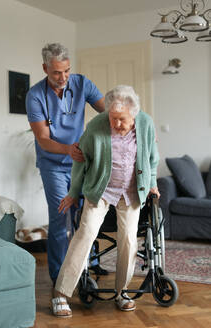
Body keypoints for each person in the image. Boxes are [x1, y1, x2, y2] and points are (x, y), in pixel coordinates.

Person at [51, 85, 160, 317]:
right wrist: (73, 192)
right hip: (100, 191)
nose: (116, 124)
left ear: (134, 114)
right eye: (112, 118)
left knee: (129, 240)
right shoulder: (96, 126)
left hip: (132, 193)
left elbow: (152, 157)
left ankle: (122, 293)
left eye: (121, 119)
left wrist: (153, 183)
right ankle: (60, 293)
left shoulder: (146, 124)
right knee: (85, 233)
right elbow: (80, 159)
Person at [26, 43, 107, 286]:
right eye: (56, 73)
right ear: (45, 68)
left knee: (87, 213)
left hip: (82, 163)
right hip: (53, 165)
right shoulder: (35, 95)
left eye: (67, 71)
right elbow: (42, 138)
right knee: (61, 217)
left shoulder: (82, 84)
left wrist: (137, 125)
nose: (63, 78)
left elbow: (108, 112)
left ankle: (91, 263)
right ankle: (59, 275)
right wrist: (68, 150)